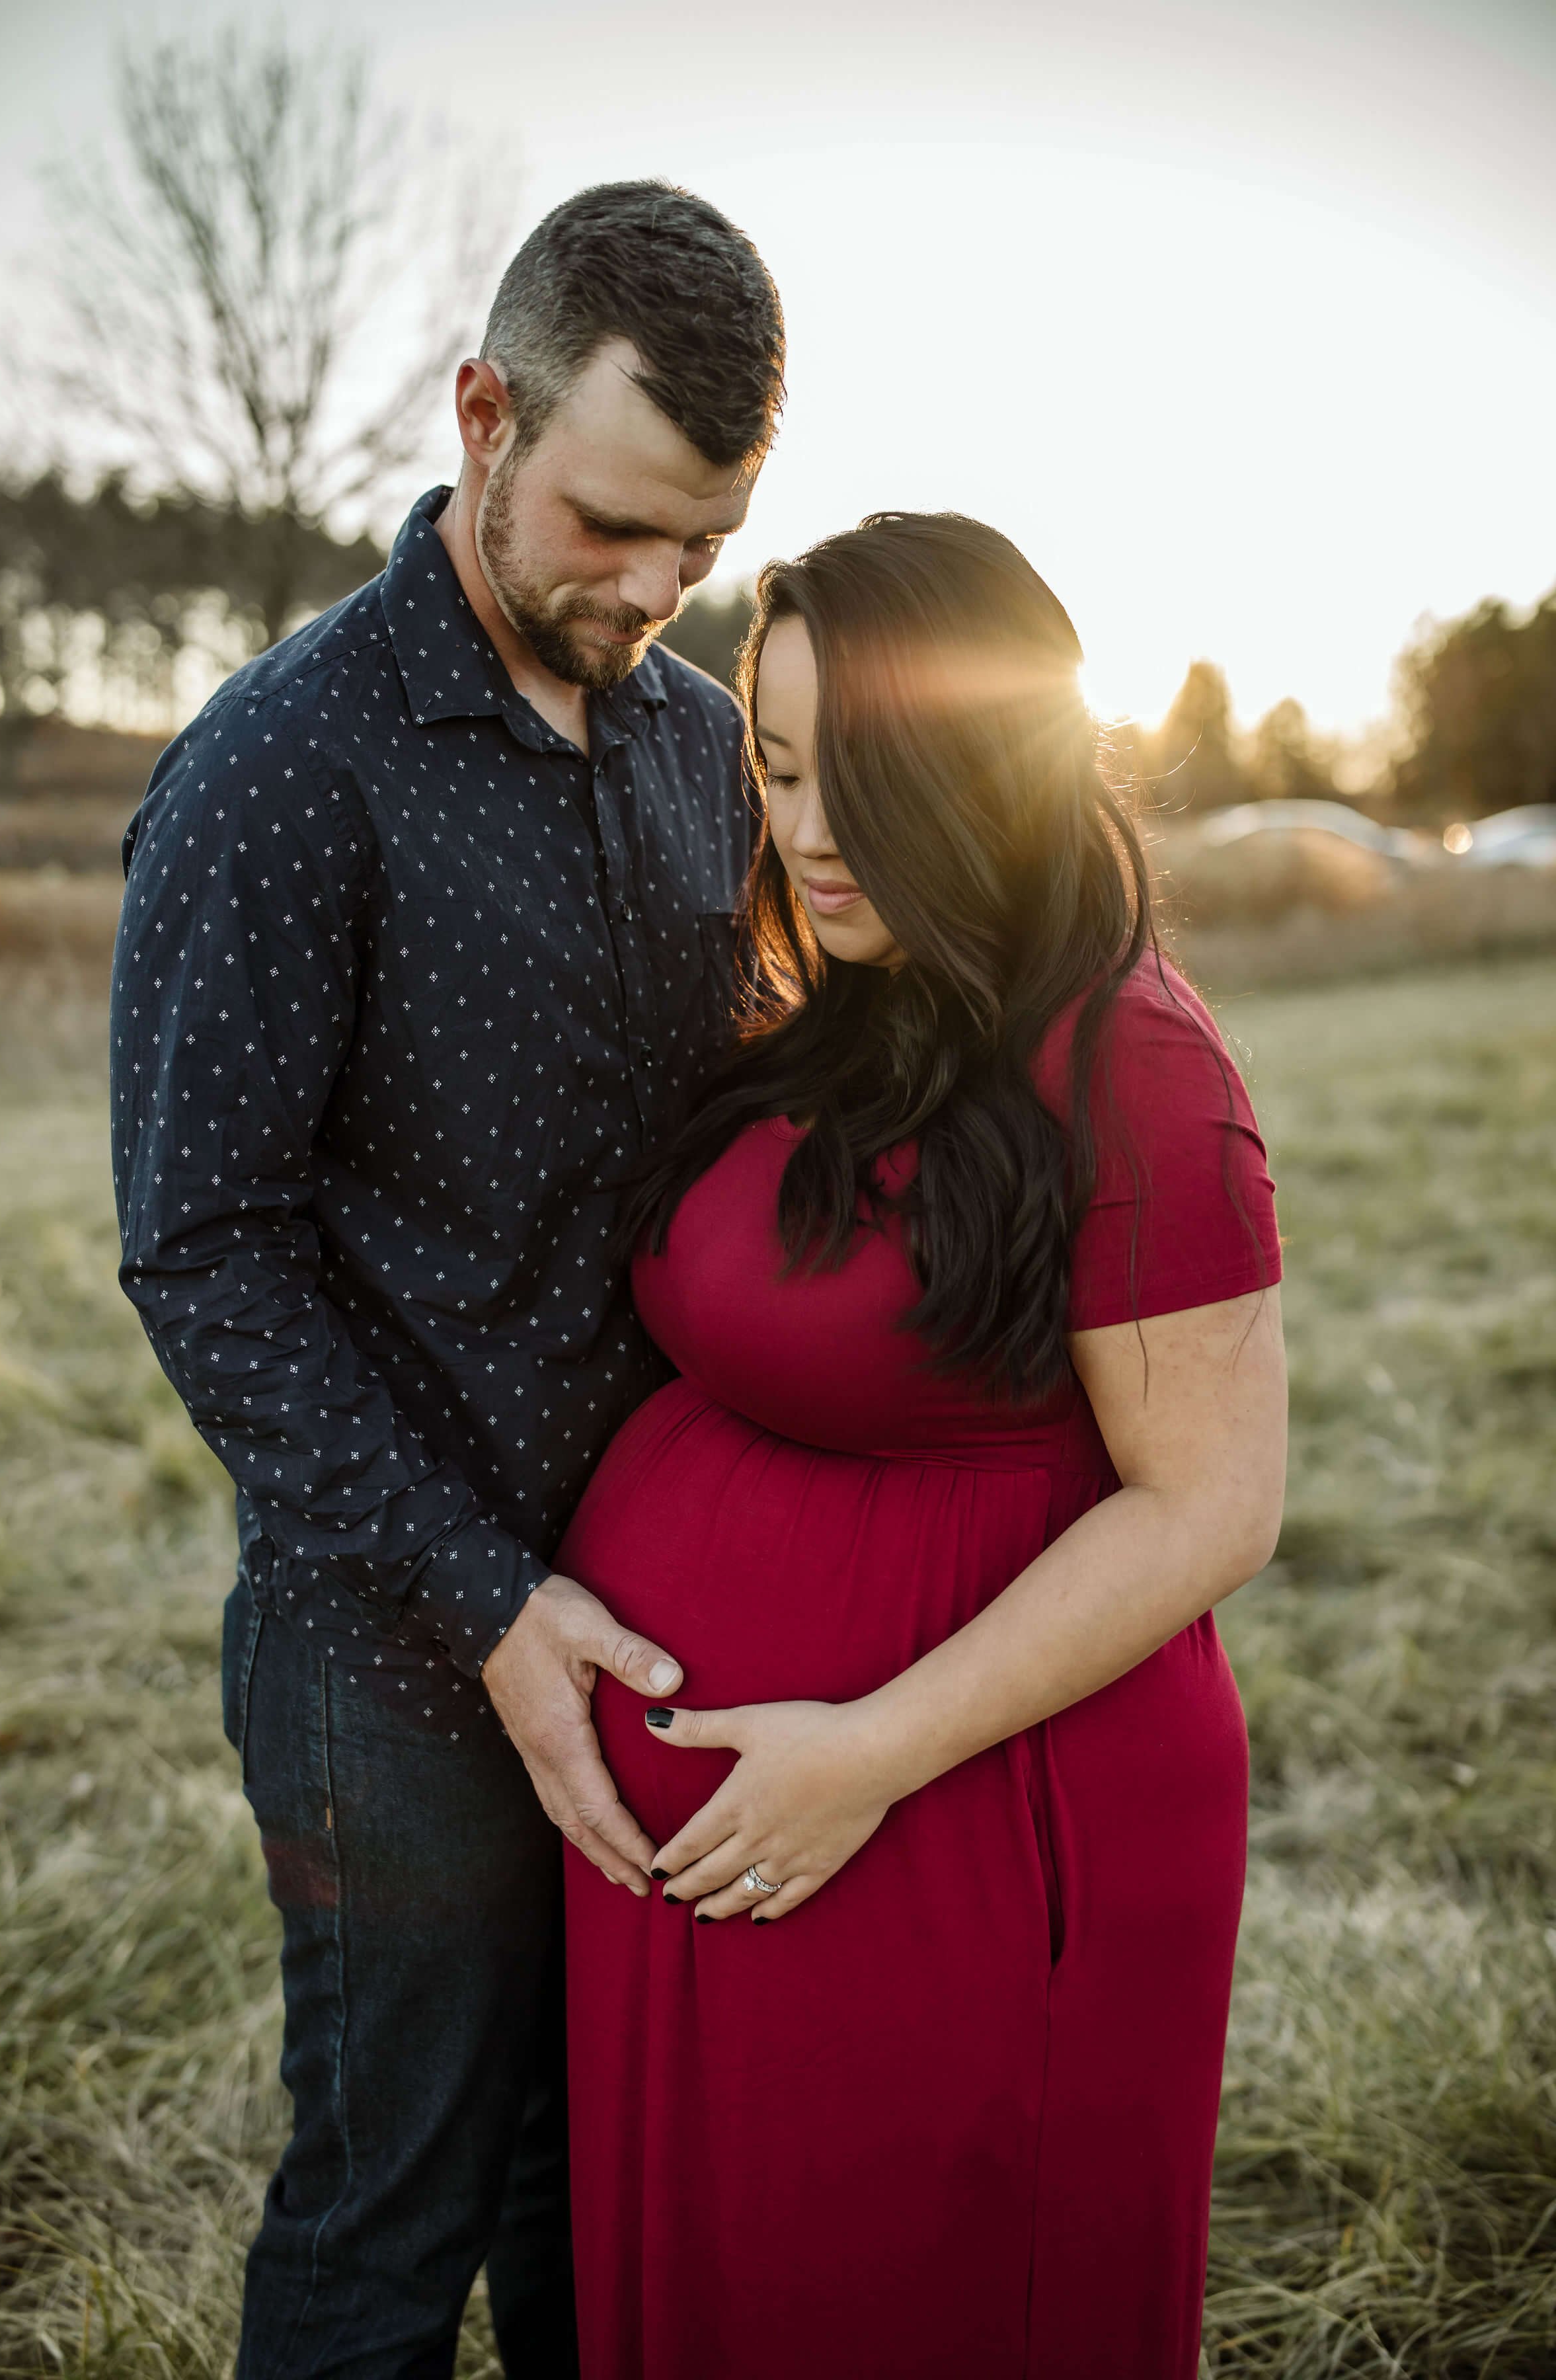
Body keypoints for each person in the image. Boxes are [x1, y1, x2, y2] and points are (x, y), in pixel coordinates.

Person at [109, 181, 784, 2379]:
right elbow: (203, 1255)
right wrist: (486, 1606)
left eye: (704, 538)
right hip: (389, 1653)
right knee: (389, 2214)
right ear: (482, 413)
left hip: (672, 1613)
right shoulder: (276, 771)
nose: (656, 590)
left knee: (597, 2195)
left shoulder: (701, 745)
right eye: (610, 523)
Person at [559, 512, 1289, 2380]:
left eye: (857, 778)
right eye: (779, 769)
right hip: (757, 1846)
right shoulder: (848, 1013)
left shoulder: (1135, 1061)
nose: (804, 832)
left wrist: (865, 1752)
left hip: (961, 1820)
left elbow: (1211, 1504)